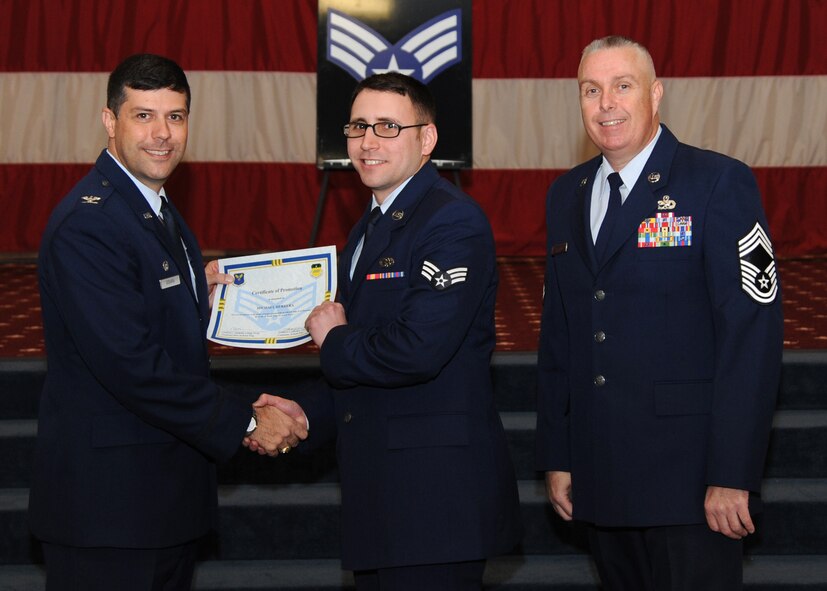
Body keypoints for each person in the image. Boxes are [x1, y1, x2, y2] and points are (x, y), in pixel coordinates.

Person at [28, 53, 307, 591]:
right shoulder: (90, 223)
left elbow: (142, 315)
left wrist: (198, 296)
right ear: (110, 121)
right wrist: (248, 422)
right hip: (107, 514)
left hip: (156, 503)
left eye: (175, 117)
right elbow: (133, 367)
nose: (162, 134)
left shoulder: (154, 207)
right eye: (143, 115)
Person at [251, 72, 522, 590]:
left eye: (387, 127)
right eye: (358, 126)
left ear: (427, 139)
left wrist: (335, 338)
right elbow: (366, 367)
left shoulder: (452, 222)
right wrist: (307, 412)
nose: (368, 141)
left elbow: (416, 351)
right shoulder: (369, 226)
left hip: (435, 505)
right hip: (385, 501)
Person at [535, 35, 783, 590]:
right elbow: (561, 338)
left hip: (690, 484)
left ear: (656, 94)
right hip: (600, 475)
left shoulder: (717, 182)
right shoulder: (565, 194)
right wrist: (559, 455)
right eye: (591, 90)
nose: (607, 105)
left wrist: (732, 474)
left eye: (623, 86)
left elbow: (752, 338)